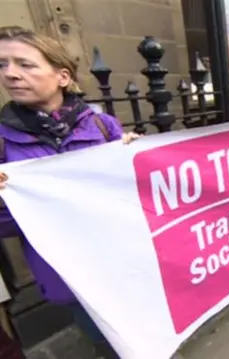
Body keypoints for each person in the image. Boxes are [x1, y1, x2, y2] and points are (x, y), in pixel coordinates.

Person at [0, 26, 140, 358]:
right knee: (107, 343)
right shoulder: (3, 142)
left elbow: (133, 195)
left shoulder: (103, 126)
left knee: (141, 333)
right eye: (3, 65)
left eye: (25, 64)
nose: (11, 74)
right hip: (70, 276)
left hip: (122, 262)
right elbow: (5, 227)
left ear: (62, 76)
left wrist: (136, 159)